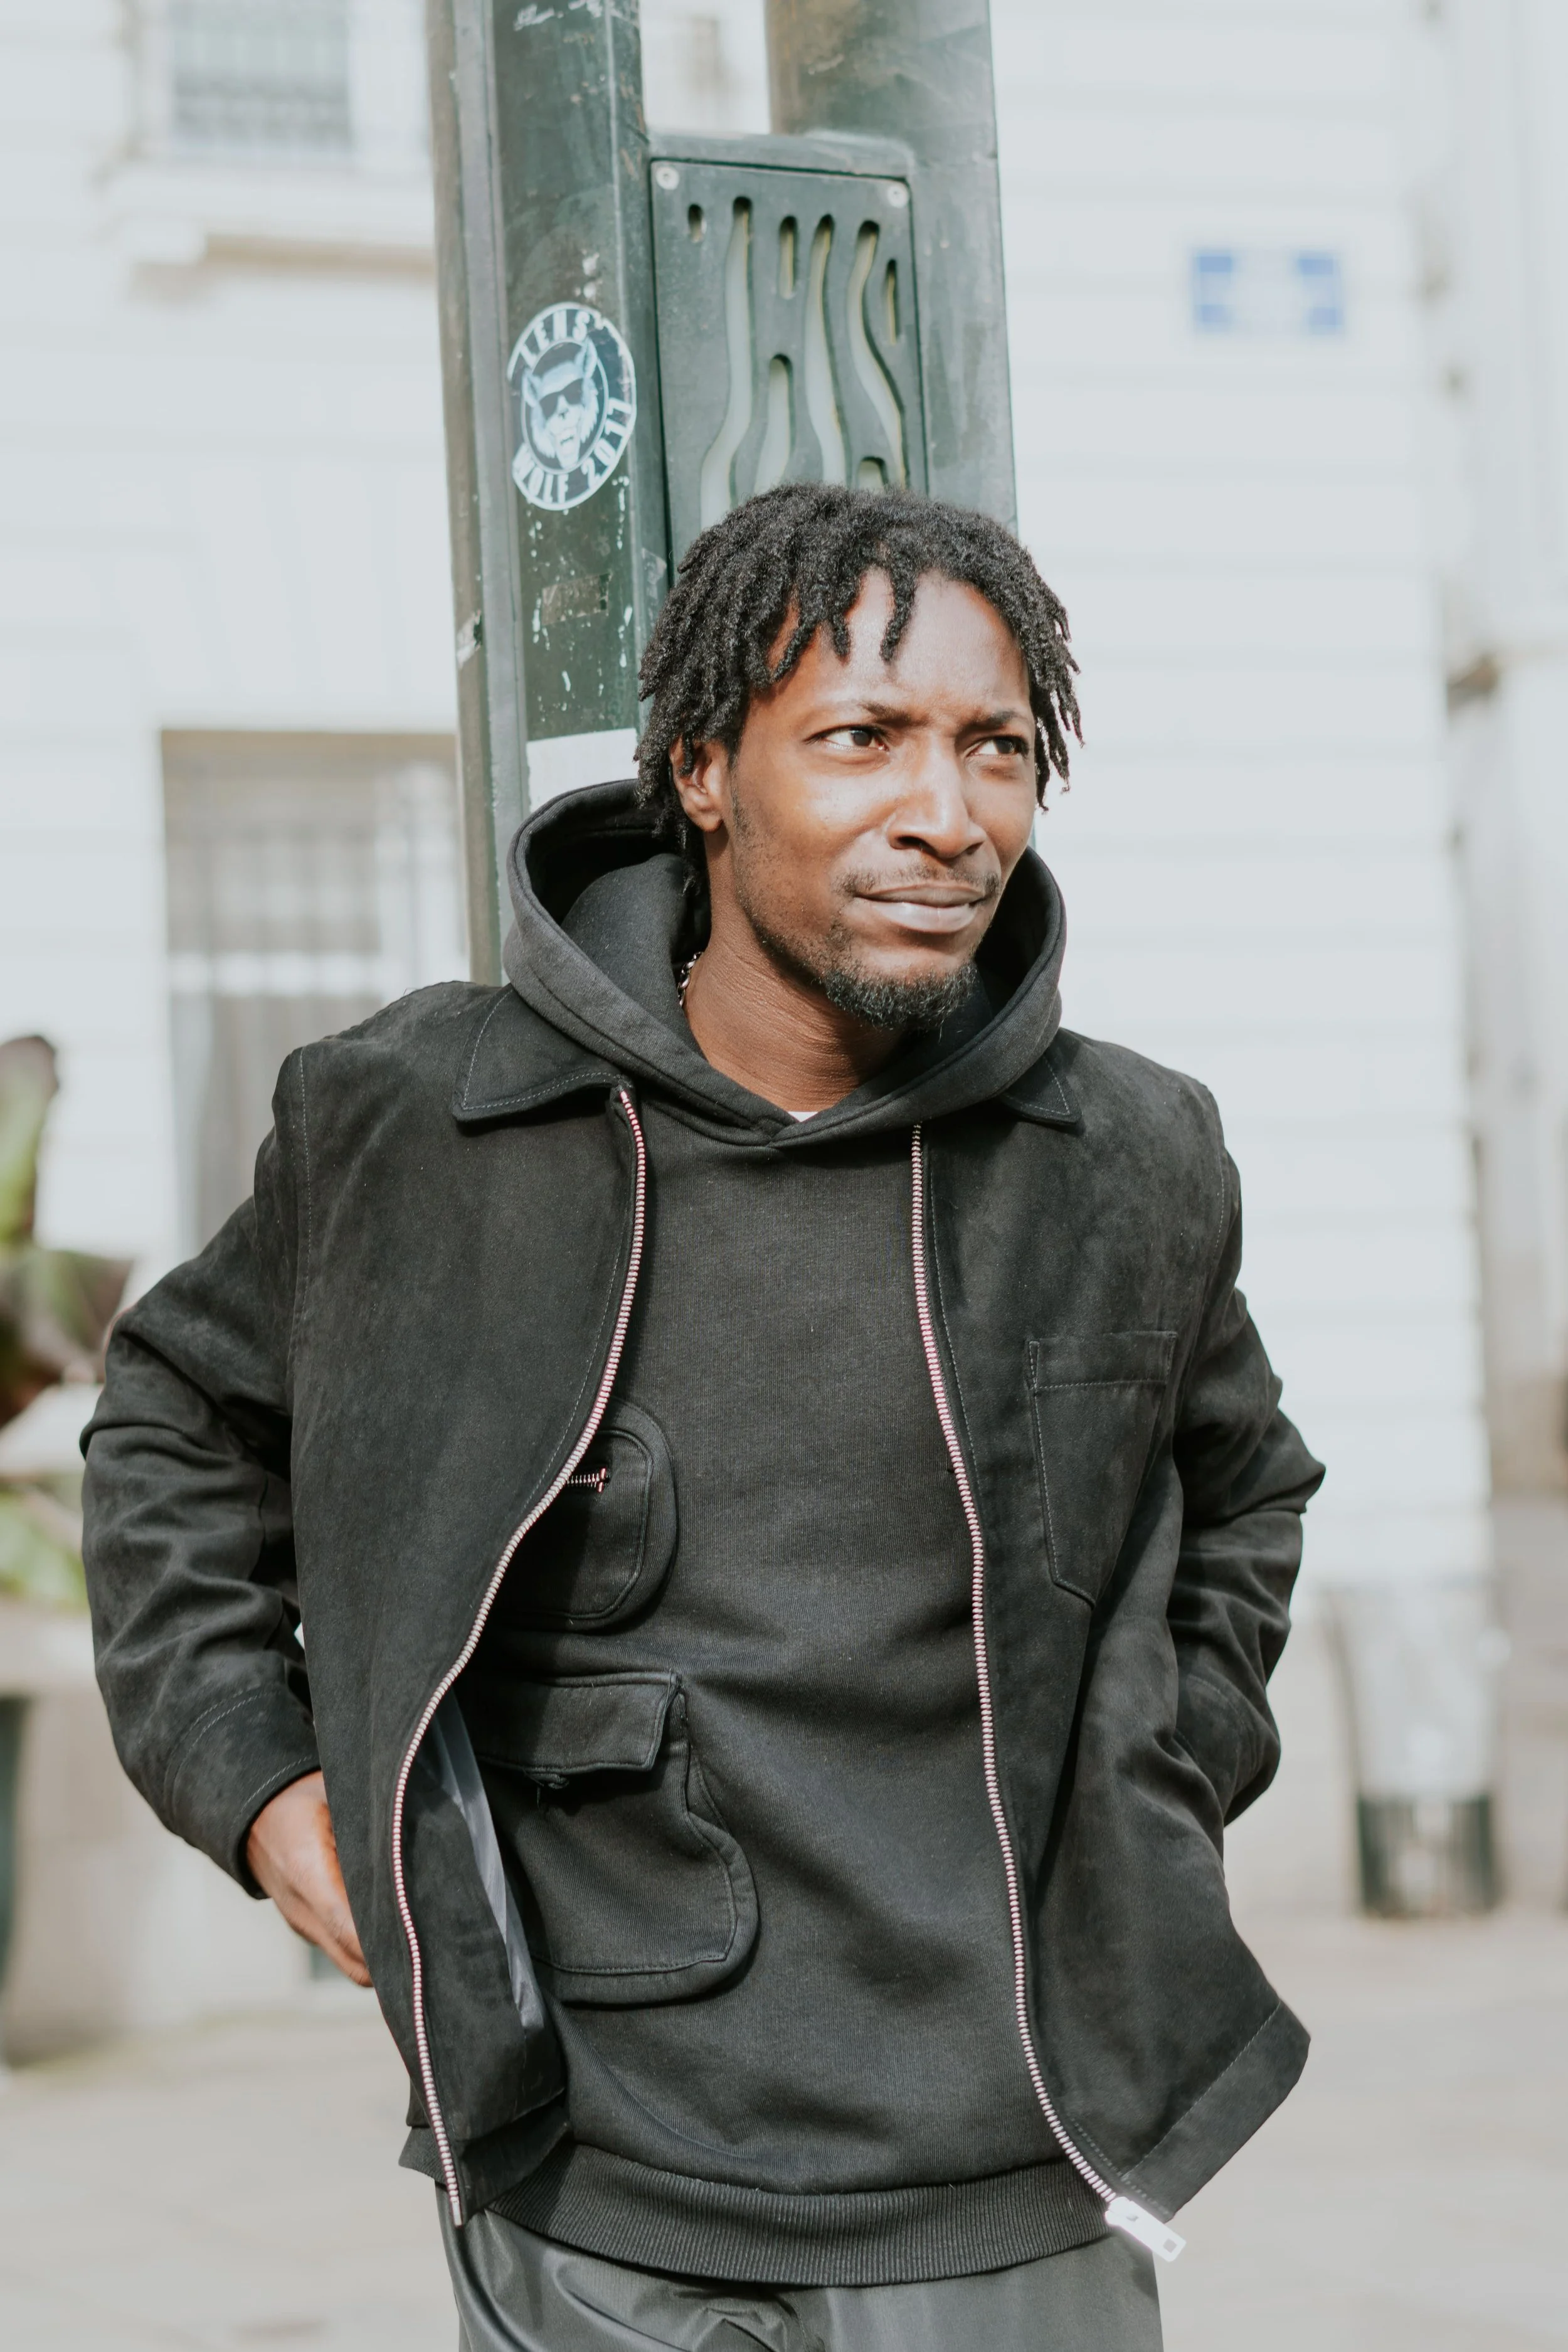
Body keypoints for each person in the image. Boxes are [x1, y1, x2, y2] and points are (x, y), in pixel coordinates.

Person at [83, 484, 1323, 2351]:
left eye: (995, 747)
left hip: (1017, 2176)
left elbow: (1247, 1489)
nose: (945, 810)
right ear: (703, 770)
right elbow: (173, 1421)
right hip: (594, 2182)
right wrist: (265, 1792)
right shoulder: (423, 1119)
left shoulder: (1128, 1153)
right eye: (860, 737)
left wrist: (1157, 1768)